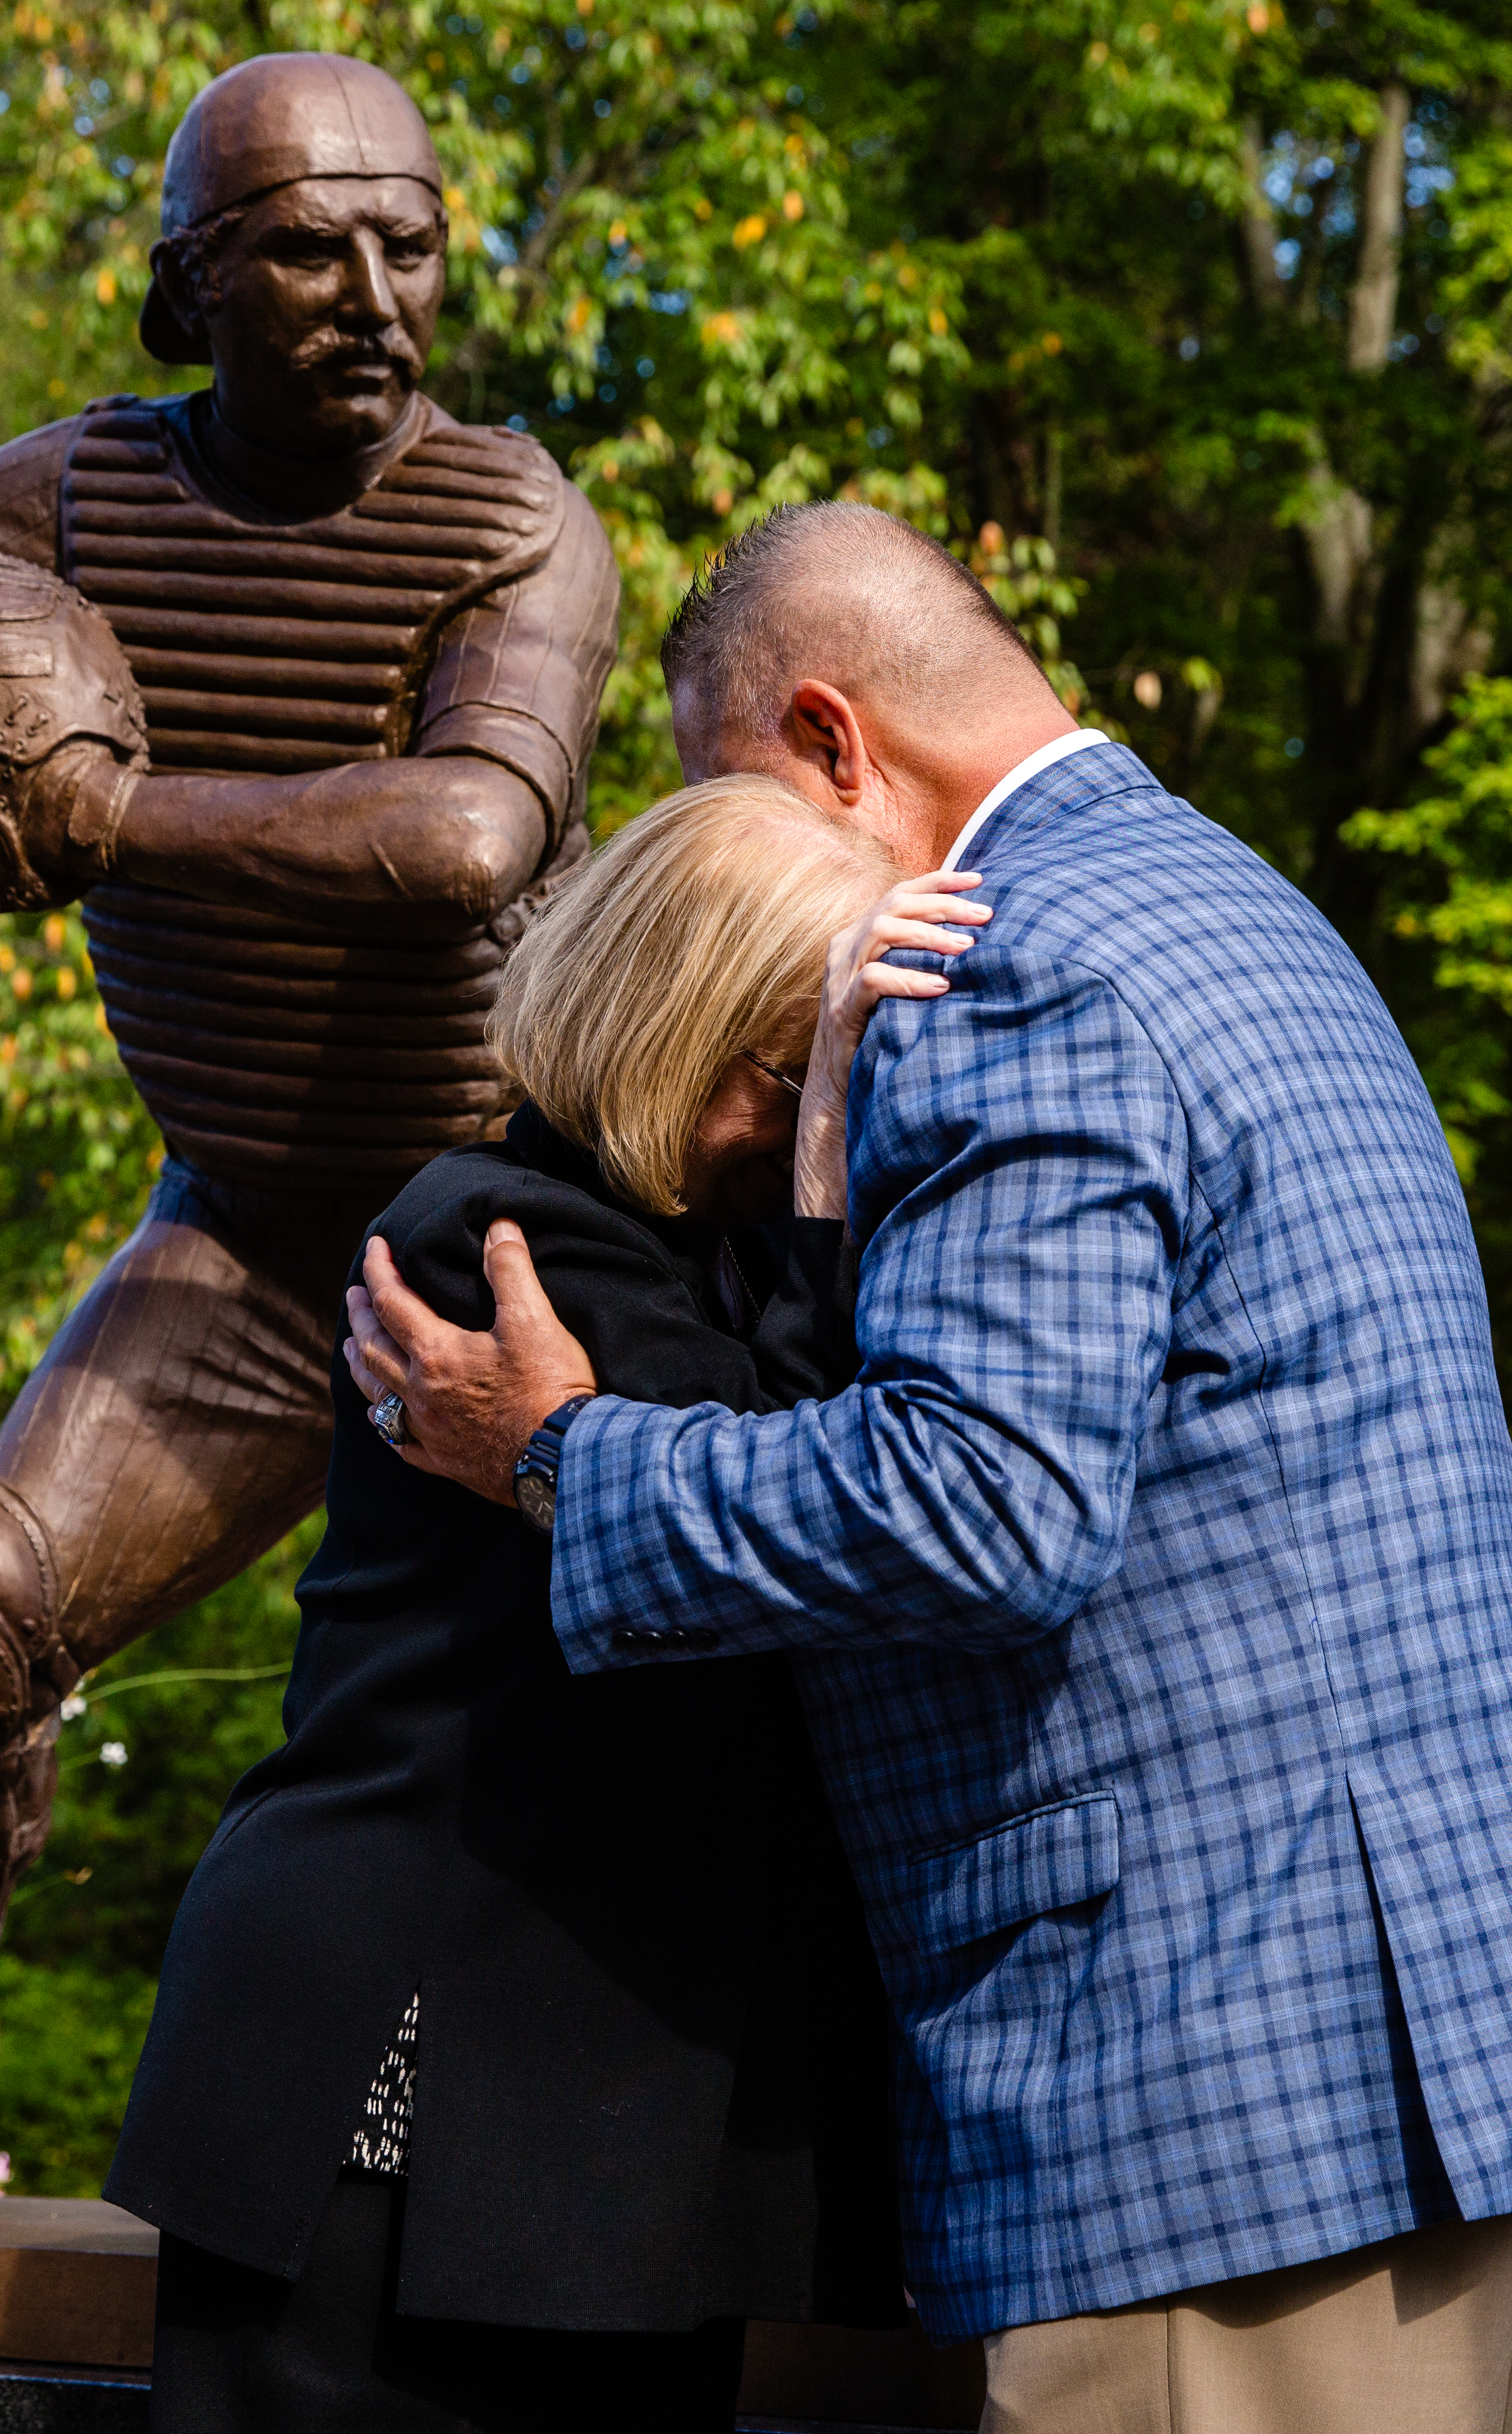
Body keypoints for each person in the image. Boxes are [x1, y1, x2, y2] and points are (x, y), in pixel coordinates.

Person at [345, 503, 1512, 2434]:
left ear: (830, 742)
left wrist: (568, 1458)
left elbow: (987, 1503)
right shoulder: (1230, 900)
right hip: (1394, 2053)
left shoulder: (1002, 966)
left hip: (1201, 2090)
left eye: (739, 799)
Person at [0, 50, 619, 2178]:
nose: (371, 292)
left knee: (638, 1756)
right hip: (248, 1244)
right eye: (306, 251)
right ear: (188, 295)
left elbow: (467, 830)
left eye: (407, 244)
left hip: (535, 1238)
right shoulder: (65, 502)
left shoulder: (511, 520)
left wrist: (102, 813)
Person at [104, 779, 988, 2434]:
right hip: (410, 2098)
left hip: (578, 2135)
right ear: (684, 1035)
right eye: (794, 1063)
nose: (830, 1105)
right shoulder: (491, 1247)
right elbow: (782, 1509)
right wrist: (818, 1185)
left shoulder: (676, 1261)